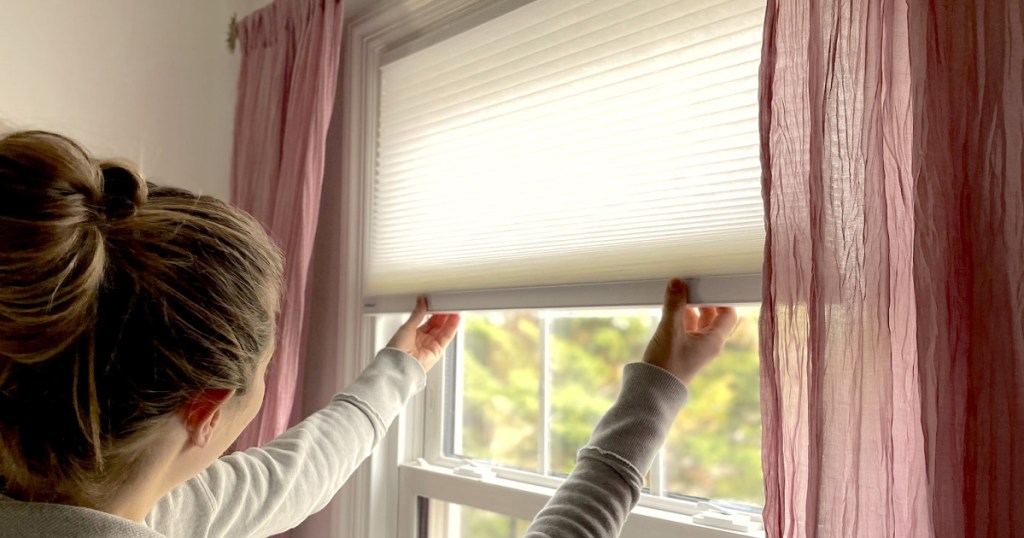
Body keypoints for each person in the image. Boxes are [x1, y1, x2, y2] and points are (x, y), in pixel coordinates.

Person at [0, 130, 738, 537]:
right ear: (204, 409)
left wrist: (401, 367)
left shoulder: (115, 498)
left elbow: (282, 479)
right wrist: (657, 394)